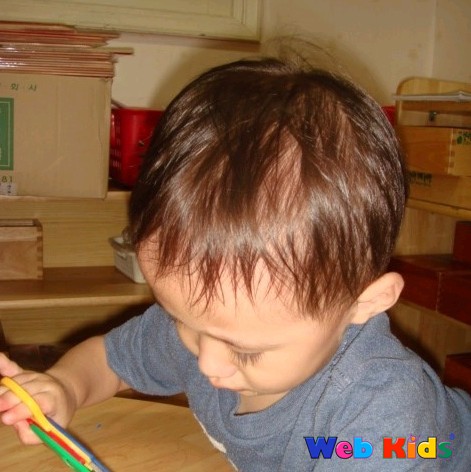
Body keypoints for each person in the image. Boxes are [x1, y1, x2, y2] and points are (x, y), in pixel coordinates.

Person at [1, 51, 470, 472]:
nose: (208, 363)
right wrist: (64, 386)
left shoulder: (381, 421)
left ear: (363, 303)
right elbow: (111, 359)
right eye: (183, 321)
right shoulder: (216, 326)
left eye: (246, 351)